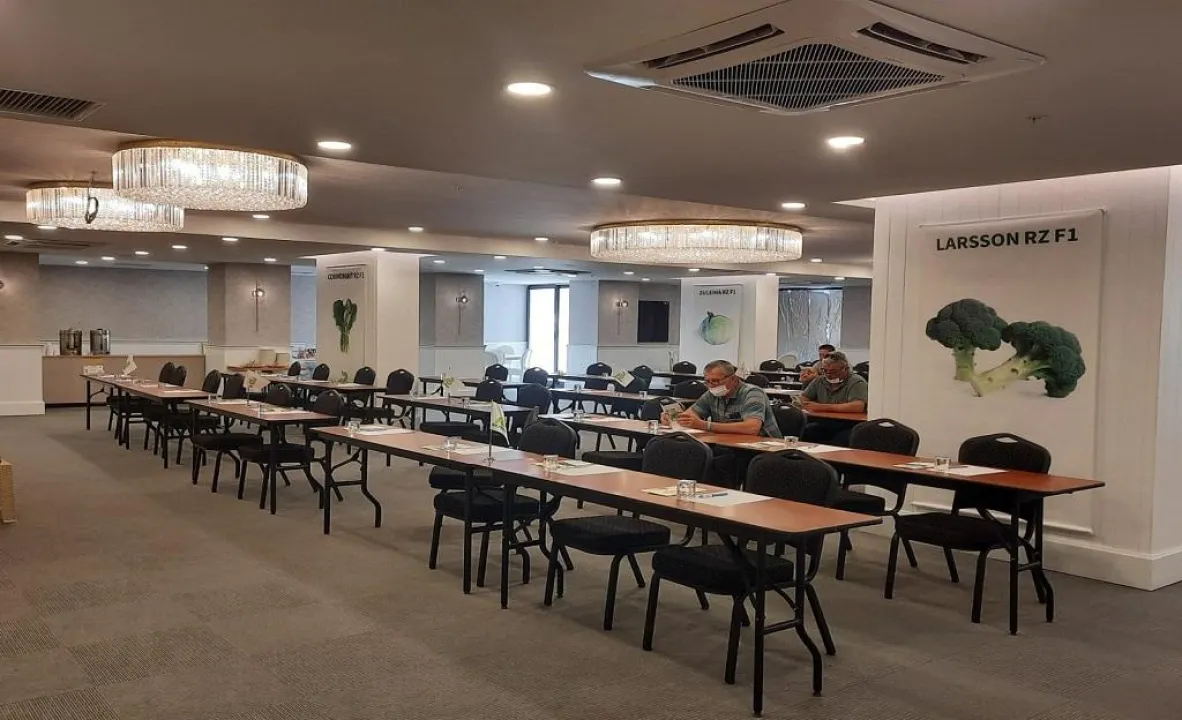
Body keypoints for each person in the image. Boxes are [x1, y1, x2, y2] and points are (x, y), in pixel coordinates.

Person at [674, 359, 781, 437]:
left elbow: (752, 428)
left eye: (716, 381)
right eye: (707, 382)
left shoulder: (753, 393)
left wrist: (706, 425)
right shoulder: (711, 394)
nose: (711, 386)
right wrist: (675, 419)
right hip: (728, 443)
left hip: (761, 448)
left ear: (733, 379)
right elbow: (690, 414)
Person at [799, 351, 867, 446]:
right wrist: (807, 404)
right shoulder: (820, 380)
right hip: (824, 422)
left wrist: (821, 407)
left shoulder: (857, 382)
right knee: (805, 433)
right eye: (824, 370)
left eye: (833, 371)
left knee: (840, 440)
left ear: (845, 369)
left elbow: (857, 406)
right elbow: (803, 398)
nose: (828, 374)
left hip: (848, 424)